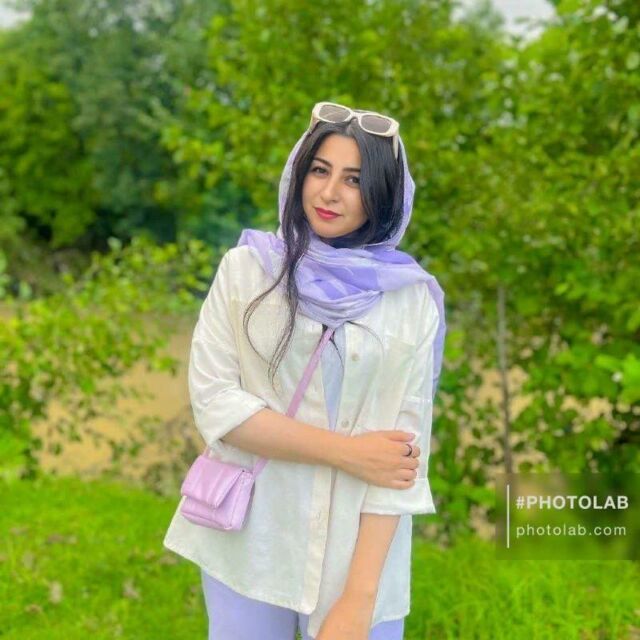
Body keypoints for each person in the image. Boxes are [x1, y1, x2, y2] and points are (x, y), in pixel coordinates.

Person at [163, 101, 446, 640]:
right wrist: (347, 452)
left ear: (383, 194)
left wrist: (359, 598)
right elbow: (218, 405)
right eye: (320, 170)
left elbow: (401, 463)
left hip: (357, 553)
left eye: (354, 180)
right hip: (251, 539)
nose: (330, 192)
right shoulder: (248, 270)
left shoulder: (411, 301)